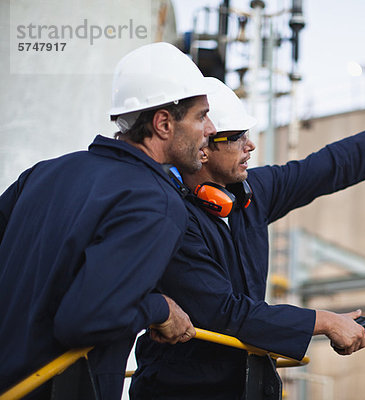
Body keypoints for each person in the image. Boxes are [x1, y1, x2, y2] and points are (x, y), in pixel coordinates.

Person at [130, 80, 365, 399]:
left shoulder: (251, 194)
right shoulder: (173, 216)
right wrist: (325, 321)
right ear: (202, 147)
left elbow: (329, 166)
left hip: (244, 385)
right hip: (180, 391)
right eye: (237, 137)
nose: (250, 145)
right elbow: (227, 313)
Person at [0, 42, 218, 399]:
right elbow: (85, 319)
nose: (210, 128)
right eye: (200, 116)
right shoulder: (155, 202)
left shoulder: (45, 173)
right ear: (163, 123)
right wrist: (159, 308)